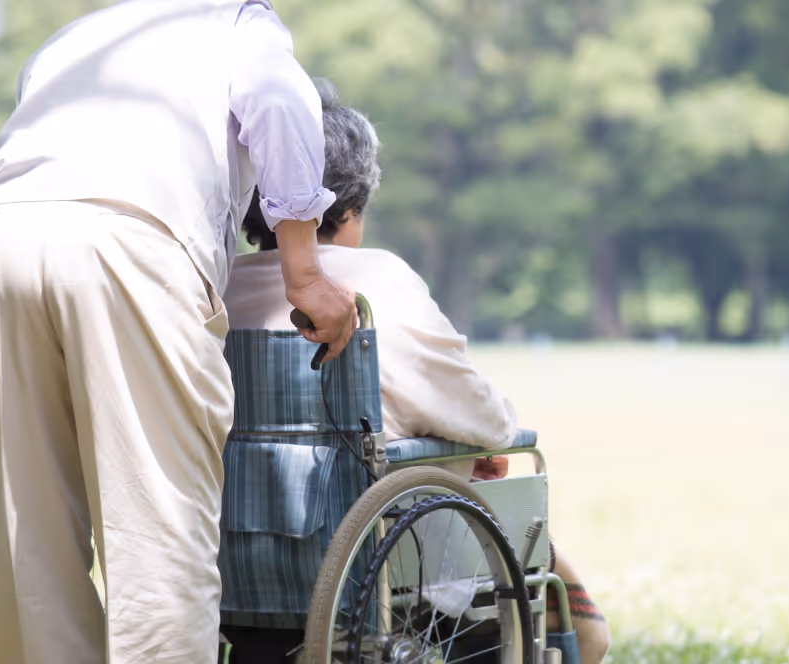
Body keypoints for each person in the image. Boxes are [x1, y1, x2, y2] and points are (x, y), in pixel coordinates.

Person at [0, 0, 360, 664]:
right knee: (158, 528)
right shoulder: (243, 23)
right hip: (133, 238)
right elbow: (280, 98)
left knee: (34, 521)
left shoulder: (76, 38)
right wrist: (303, 272)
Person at [221, 90, 611, 664]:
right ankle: (584, 630)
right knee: (512, 497)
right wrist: (488, 438)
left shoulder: (218, 289)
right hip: (374, 561)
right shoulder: (379, 279)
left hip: (236, 557)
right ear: (352, 203)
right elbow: (481, 417)